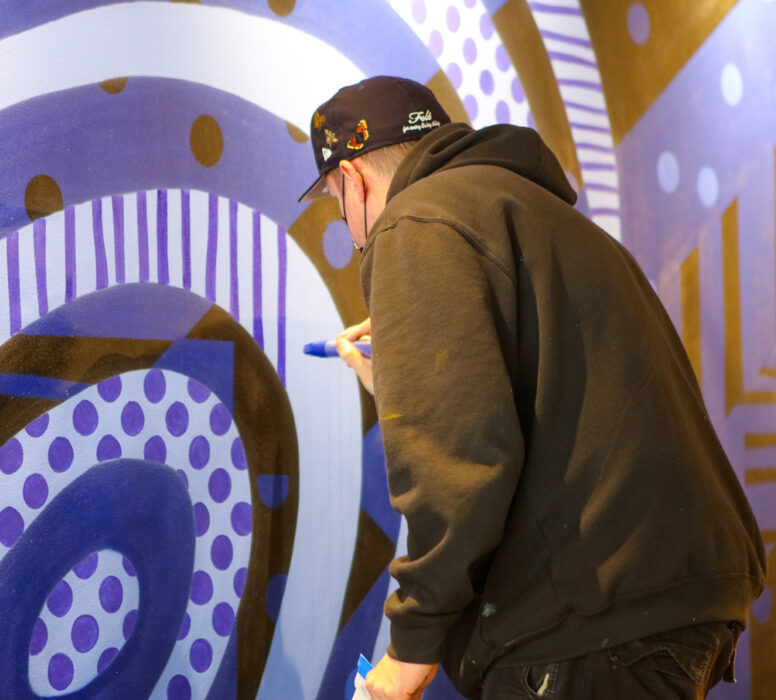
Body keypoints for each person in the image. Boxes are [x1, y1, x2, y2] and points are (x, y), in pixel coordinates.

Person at [298, 76, 767, 700]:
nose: (354, 231)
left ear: (353, 179)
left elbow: (456, 464)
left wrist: (410, 648)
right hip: (674, 596)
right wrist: (406, 379)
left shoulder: (413, 221)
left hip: (584, 622)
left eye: (337, 203)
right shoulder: (538, 216)